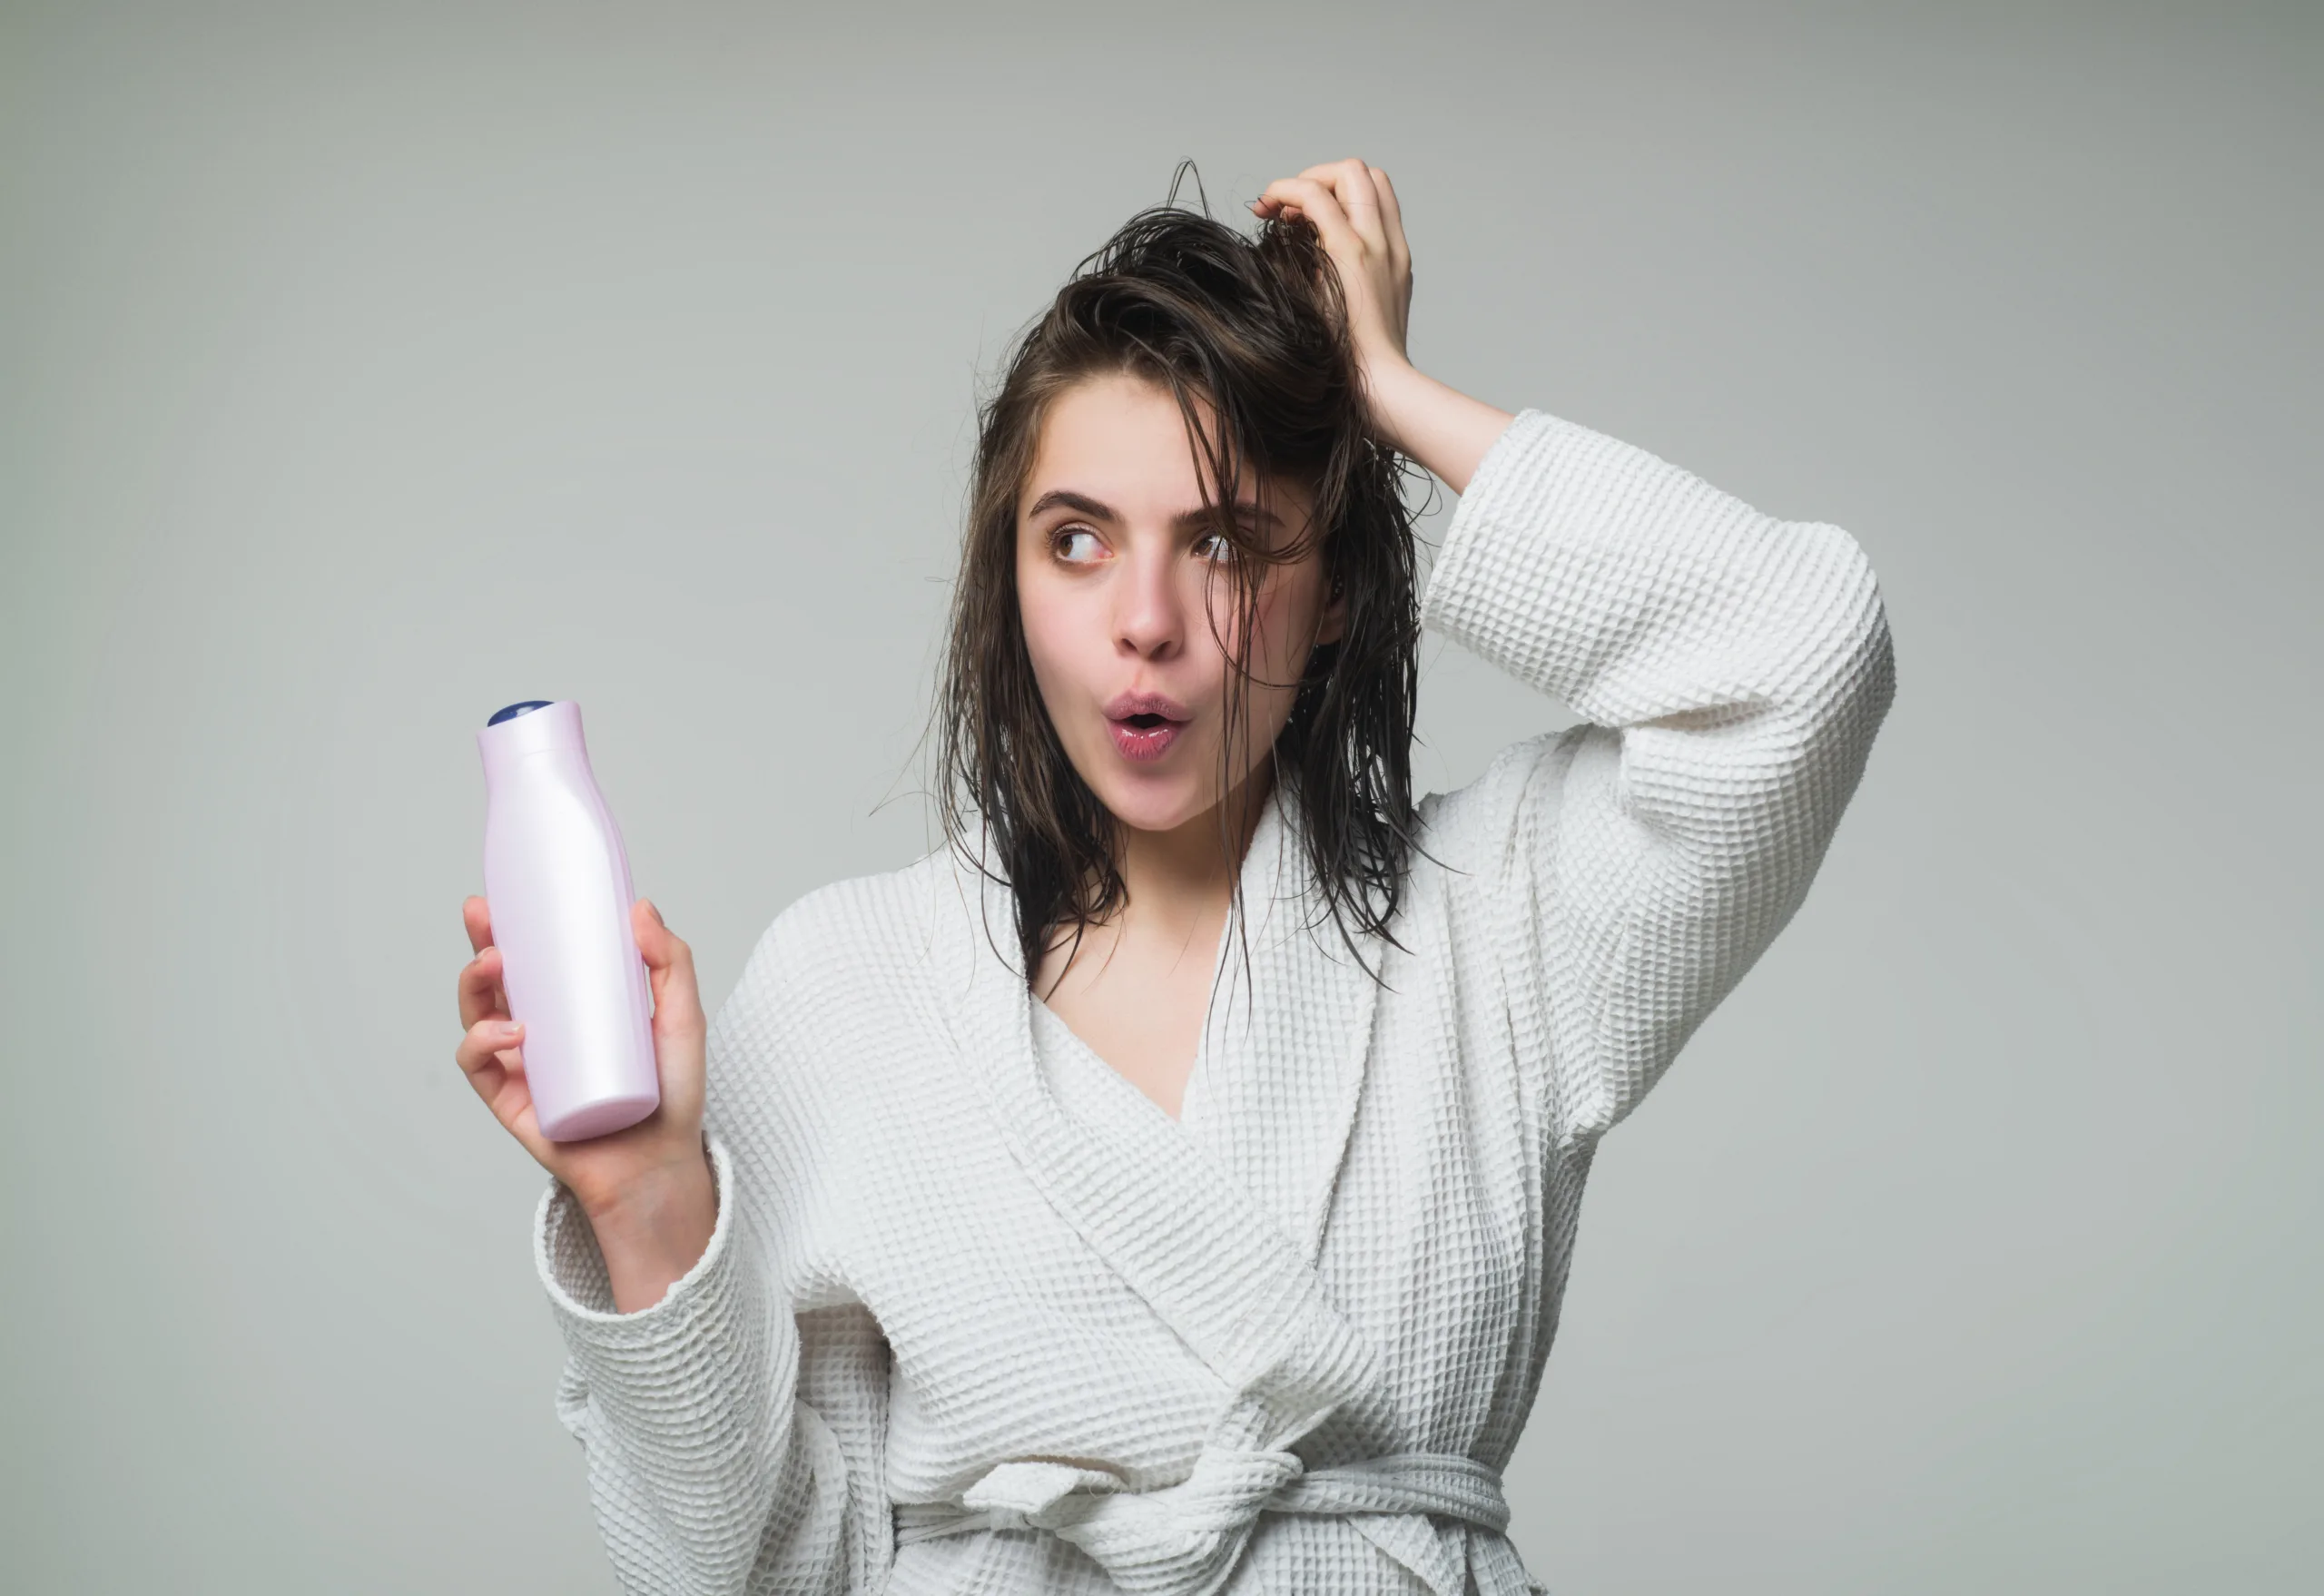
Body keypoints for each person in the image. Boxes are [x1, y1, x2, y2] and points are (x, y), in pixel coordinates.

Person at [453, 159, 1896, 1596]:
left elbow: (1800, 657)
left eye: (1223, 543)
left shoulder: (1498, 916)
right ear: (1006, 581)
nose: (1144, 623)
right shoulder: (850, 983)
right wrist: (646, 1200)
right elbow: (761, 1569)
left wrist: (1383, 390)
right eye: (1075, 541)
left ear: (1332, 588)